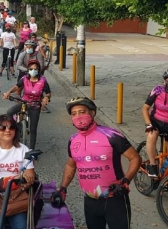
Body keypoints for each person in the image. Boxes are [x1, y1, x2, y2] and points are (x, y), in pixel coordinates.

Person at [51, 97, 141, 229]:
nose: (78, 117)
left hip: (115, 200)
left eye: (82, 112)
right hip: (90, 201)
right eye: (74, 114)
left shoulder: (111, 135)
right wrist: (63, 188)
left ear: (92, 113)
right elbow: (71, 164)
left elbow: (135, 158)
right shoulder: (73, 140)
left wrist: (126, 180)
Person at [0, 115, 35, 229]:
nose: (7, 130)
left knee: (22, 226)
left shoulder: (23, 150)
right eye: (2, 128)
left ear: (15, 131)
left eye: (11, 127)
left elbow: (30, 176)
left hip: (16, 196)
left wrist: (22, 182)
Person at [2, 60, 51, 149]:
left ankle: (32, 149)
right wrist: (8, 92)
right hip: (24, 102)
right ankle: (14, 129)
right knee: (9, 112)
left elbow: (48, 92)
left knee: (33, 129)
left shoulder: (43, 80)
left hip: (35, 105)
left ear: (38, 70)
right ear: (28, 70)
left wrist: (46, 98)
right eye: (31, 69)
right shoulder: (24, 78)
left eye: (35, 69)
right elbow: (17, 86)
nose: (33, 70)